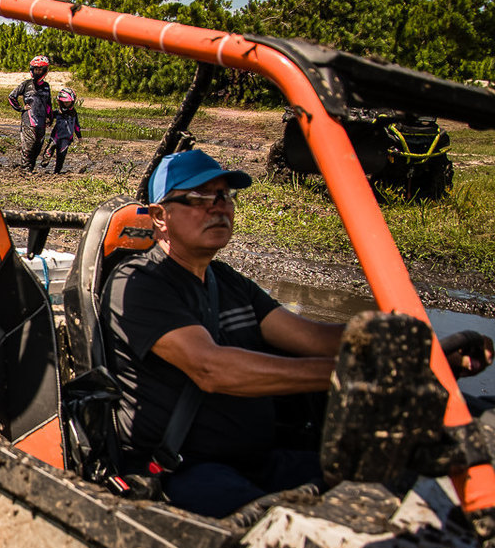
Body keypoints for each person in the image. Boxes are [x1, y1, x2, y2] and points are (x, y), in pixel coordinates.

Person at [102, 149, 491, 518]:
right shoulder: (139, 283)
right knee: (298, 539)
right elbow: (213, 369)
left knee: (401, 487)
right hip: (184, 471)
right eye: (201, 197)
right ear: (160, 216)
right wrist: (356, 373)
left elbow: (312, 338)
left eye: (225, 196)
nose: (219, 207)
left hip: (262, 460)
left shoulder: (226, 282)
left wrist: (416, 350)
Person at [8, 55, 52, 172]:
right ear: (32, 70)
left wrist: (50, 117)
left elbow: (48, 104)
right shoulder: (26, 84)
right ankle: (25, 169)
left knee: (38, 146)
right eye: (36, 69)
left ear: (44, 71)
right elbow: (12, 96)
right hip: (28, 119)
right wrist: (20, 108)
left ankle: (30, 168)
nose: (38, 72)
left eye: (40, 70)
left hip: (41, 121)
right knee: (29, 145)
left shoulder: (46, 87)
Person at [43, 86, 81, 173]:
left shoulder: (74, 113)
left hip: (66, 139)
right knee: (49, 149)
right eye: (64, 103)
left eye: (68, 102)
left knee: (61, 155)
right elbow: (49, 117)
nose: (66, 104)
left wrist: (79, 136)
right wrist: (47, 121)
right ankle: (45, 161)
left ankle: (57, 172)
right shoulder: (58, 112)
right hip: (56, 136)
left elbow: (77, 126)